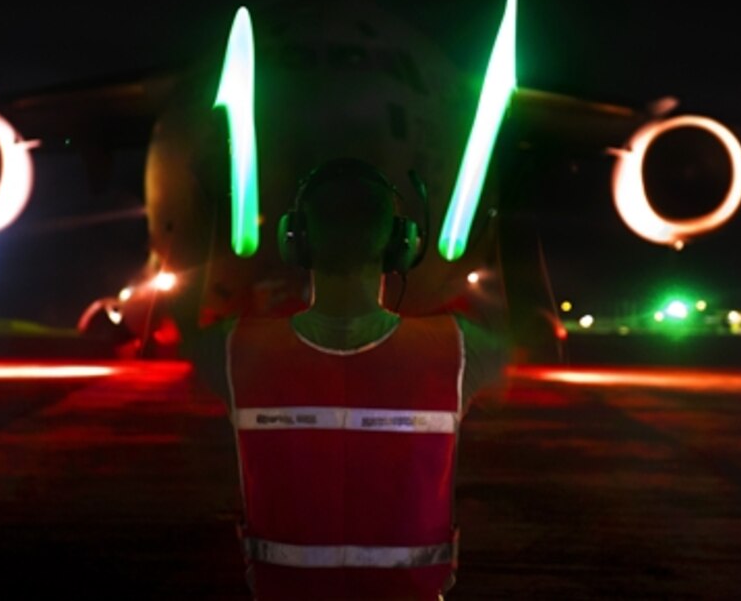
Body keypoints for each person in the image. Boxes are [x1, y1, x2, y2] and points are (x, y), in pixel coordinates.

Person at [184, 157, 530, 601]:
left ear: (297, 241)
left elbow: (187, 331)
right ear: (401, 245)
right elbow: (519, 334)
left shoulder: (233, 350)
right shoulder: (461, 349)